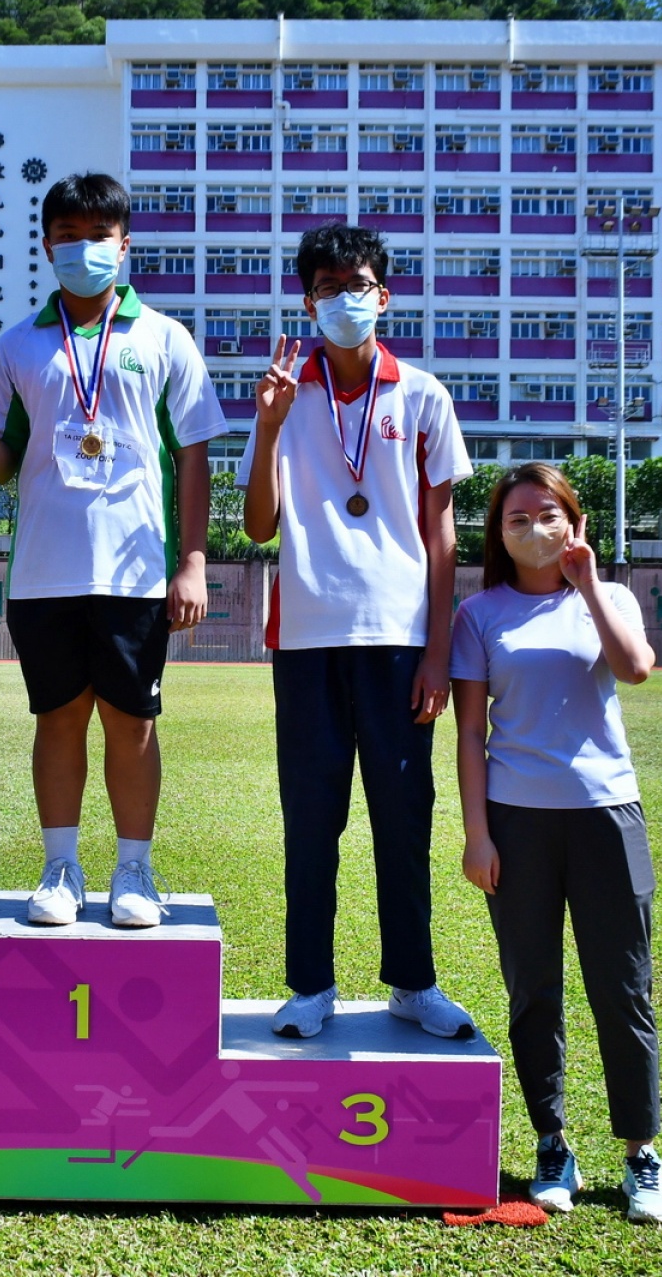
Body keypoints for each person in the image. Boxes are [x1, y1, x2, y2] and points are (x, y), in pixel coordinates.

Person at [0, 172, 226, 928]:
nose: (83, 249)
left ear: (124, 246)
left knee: (133, 723)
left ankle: (134, 870)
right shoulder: (18, 344)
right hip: (44, 572)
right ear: (47, 246)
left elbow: (194, 454)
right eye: (68, 236)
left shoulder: (164, 338)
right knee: (58, 719)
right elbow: (1, 466)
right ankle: (60, 867)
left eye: (98, 236)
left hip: (136, 572)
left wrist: (193, 562)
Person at [240, 223, 476, 1042]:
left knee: (404, 817)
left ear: (386, 295)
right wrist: (270, 426)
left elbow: (441, 534)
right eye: (329, 287)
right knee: (311, 820)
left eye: (360, 285)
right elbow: (259, 525)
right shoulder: (282, 393)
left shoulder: (423, 394)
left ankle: (413, 980)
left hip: (400, 640)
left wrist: (439, 652)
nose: (346, 299)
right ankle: (310, 984)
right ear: (308, 302)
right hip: (307, 637)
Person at [449, 462, 662, 1225]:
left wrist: (588, 583)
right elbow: (470, 734)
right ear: (498, 534)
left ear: (574, 522)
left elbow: (636, 668)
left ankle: (641, 1153)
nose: (533, 528)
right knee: (533, 988)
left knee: (624, 987)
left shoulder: (609, 598)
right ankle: (552, 1143)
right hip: (518, 822)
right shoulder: (479, 614)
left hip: (609, 815)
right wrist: (478, 834)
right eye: (517, 518)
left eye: (548, 514)